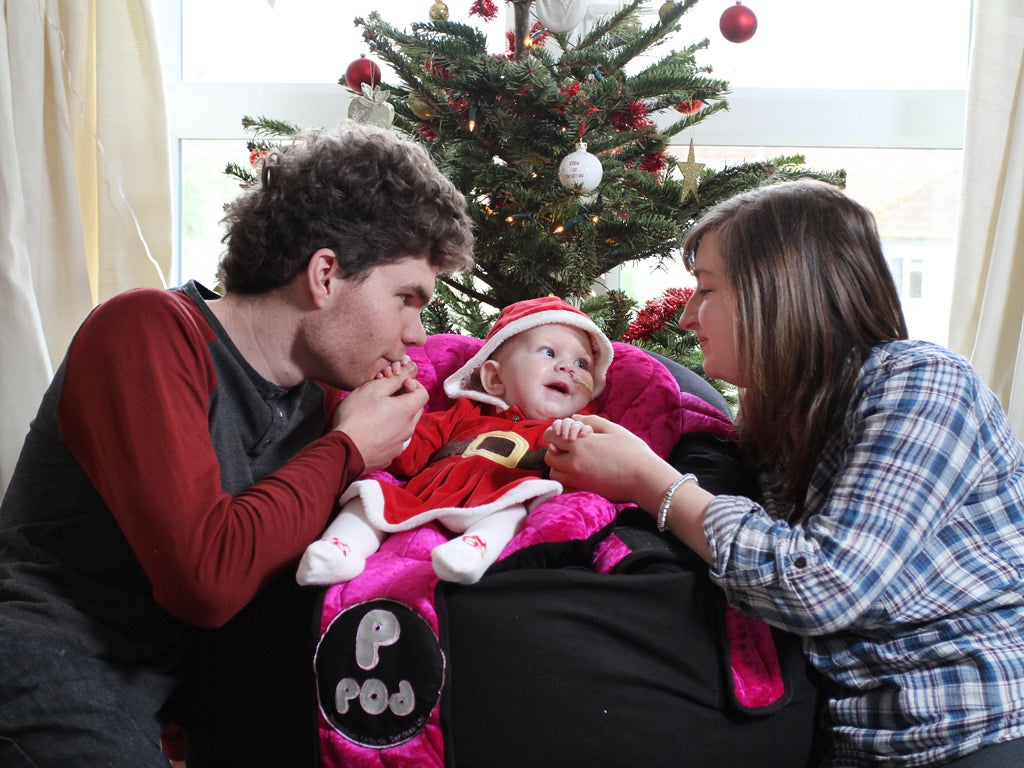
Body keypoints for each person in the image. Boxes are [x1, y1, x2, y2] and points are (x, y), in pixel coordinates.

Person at [0, 121, 474, 767]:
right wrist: (349, 450)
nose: (418, 334)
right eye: (406, 299)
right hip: (41, 659)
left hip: (166, 692)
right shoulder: (144, 331)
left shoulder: (320, 405)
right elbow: (206, 579)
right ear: (326, 274)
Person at [544, 179, 1024, 767]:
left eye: (707, 289)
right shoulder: (775, 420)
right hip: (852, 735)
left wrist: (649, 480)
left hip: (973, 728)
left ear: (781, 290)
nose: (689, 315)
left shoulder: (922, 382)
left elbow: (825, 586)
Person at [296, 295, 614, 586]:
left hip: (501, 496)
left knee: (518, 506)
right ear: (494, 377)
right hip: (430, 493)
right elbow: (408, 452)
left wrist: (575, 441)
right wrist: (397, 408)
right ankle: (339, 547)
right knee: (369, 495)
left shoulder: (575, 428)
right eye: (549, 352)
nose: (567, 368)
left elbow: (589, 473)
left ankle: (475, 549)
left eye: (582, 364)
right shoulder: (462, 414)